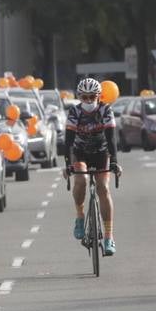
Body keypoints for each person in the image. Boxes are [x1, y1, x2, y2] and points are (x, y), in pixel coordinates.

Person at [63, 77, 121, 256]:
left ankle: (109, 236)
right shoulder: (74, 111)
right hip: (80, 152)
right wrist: (67, 165)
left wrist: (114, 162)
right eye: (84, 97)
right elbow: (68, 141)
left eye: (92, 97)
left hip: (101, 152)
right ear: (79, 97)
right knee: (80, 179)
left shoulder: (105, 110)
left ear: (99, 96)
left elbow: (111, 138)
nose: (88, 101)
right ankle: (80, 216)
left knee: (103, 188)